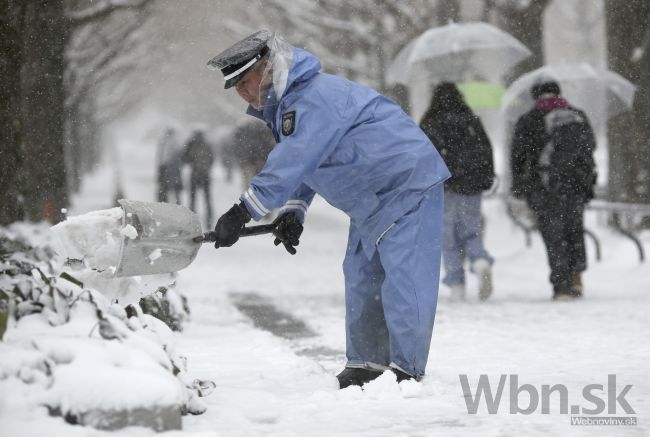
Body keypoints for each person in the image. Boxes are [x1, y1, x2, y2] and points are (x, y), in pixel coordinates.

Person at [206, 30, 450, 388]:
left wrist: (242, 212)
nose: (243, 93)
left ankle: (407, 367)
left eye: (245, 81)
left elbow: (294, 158)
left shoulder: (313, 98)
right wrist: (294, 209)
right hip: (371, 198)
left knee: (405, 277)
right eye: (236, 87)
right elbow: (312, 161)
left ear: (269, 67)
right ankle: (367, 362)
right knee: (361, 275)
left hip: (405, 183)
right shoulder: (291, 103)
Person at [510, 80, 597, 301]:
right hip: (576, 184)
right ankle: (577, 277)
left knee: (553, 234)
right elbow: (591, 146)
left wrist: (520, 186)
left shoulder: (530, 120)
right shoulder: (577, 115)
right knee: (574, 230)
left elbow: (519, 156)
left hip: (545, 186)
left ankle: (561, 286)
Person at [420, 83, 495, 302]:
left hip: (441, 186)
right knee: (471, 230)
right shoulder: (472, 121)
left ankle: (457, 284)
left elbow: (421, 155)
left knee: (447, 237)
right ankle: (480, 261)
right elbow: (486, 152)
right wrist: (486, 178)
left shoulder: (430, 123)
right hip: (471, 186)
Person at [182, 129, 215, 227]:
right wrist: (206, 166)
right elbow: (212, 158)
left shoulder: (191, 144)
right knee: (207, 199)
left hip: (195, 175)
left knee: (193, 199)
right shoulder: (207, 144)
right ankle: (209, 220)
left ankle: (192, 221)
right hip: (205, 175)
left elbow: (185, 158)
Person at [156, 128, 184, 204]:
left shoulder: (165, 142)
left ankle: (164, 207)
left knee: (164, 192)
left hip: (166, 170)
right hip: (172, 171)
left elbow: (161, 159)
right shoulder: (175, 143)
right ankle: (177, 208)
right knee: (174, 193)